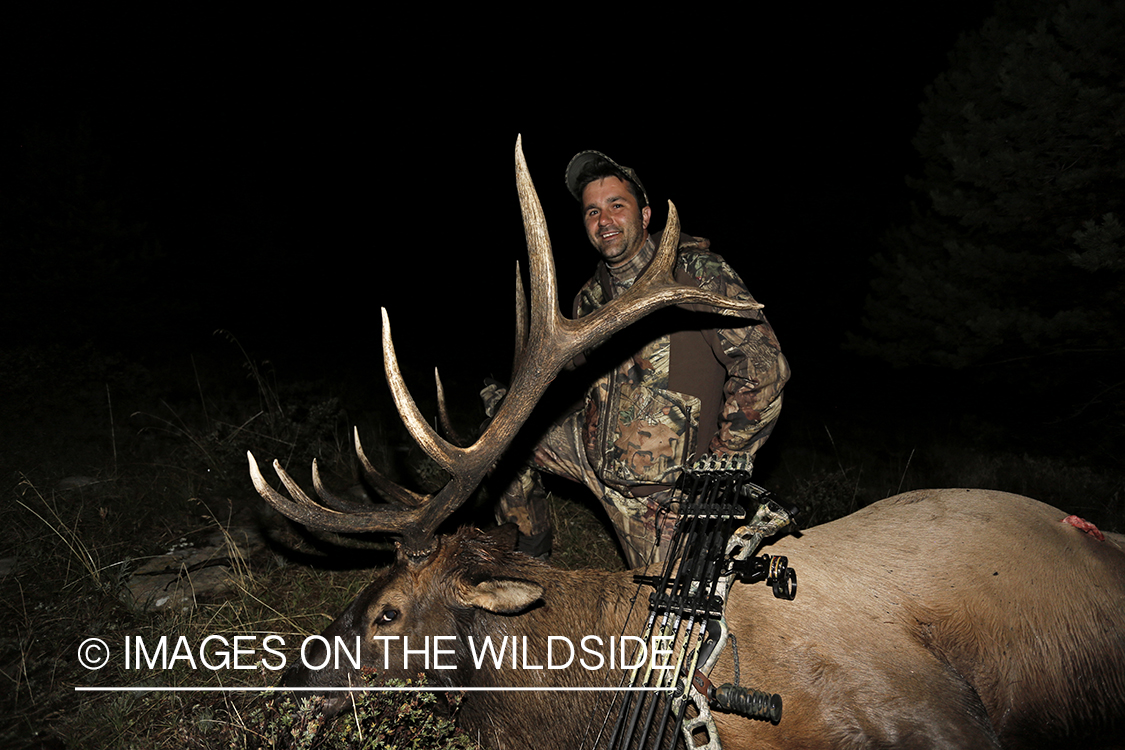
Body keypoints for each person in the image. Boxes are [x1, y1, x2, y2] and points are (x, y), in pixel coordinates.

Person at [487, 150, 789, 568]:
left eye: (616, 205)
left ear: (645, 215)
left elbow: (764, 371)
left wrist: (716, 473)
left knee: (667, 622)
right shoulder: (589, 296)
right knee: (503, 435)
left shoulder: (698, 273)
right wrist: (517, 401)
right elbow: (574, 383)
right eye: (592, 211)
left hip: (663, 498)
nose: (604, 220)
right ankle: (527, 559)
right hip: (594, 458)